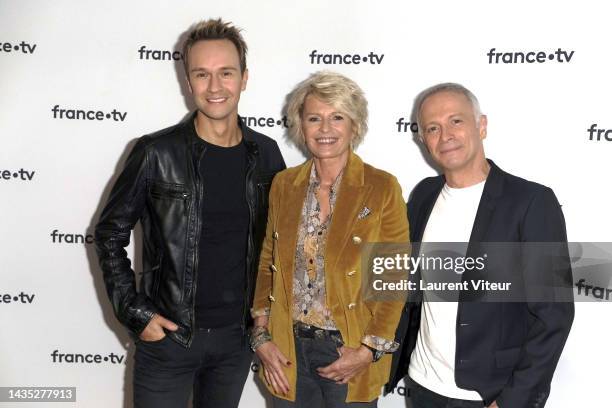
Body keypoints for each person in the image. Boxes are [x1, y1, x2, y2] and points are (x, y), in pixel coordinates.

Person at [94, 18, 285, 408]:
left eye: (226, 73)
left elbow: (278, 245)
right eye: (202, 74)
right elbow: (110, 233)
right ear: (188, 82)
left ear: (244, 78)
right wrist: (135, 312)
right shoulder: (155, 153)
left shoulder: (266, 155)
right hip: (170, 341)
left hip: (236, 342)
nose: (215, 87)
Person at [386, 83, 574, 407]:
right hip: (421, 386)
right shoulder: (422, 197)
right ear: (423, 139)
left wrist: (513, 400)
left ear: (481, 125)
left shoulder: (531, 202)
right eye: (432, 127)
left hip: (485, 397)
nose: (445, 135)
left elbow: (553, 315)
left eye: (456, 121)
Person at [250, 71, 409, 407]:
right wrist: (261, 334)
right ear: (300, 125)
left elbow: (393, 278)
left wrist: (368, 351)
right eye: (314, 118)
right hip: (287, 349)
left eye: (337, 117)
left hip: (347, 350)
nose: (325, 129)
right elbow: (268, 261)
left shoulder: (381, 187)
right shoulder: (284, 184)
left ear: (354, 125)